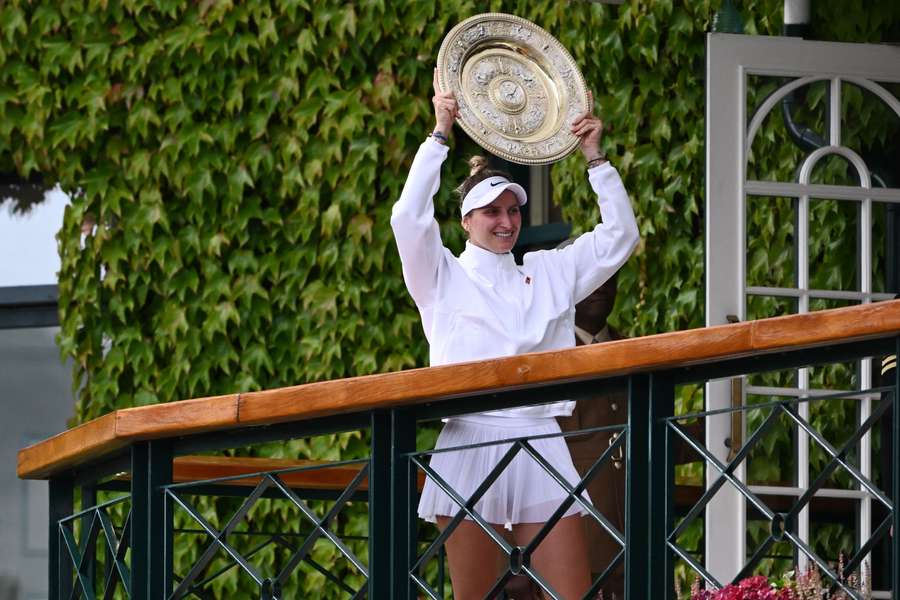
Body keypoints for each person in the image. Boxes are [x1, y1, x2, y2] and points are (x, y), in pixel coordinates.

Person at [390, 69, 639, 599]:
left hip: (542, 438)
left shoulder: (548, 270)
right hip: (470, 438)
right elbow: (409, 219)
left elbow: (621, 236)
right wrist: (439, 135)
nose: (505, 221)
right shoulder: (442, 276)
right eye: (491, 212)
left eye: (512, 210)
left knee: (571, 594)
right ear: (465, 221)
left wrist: (596, 158)